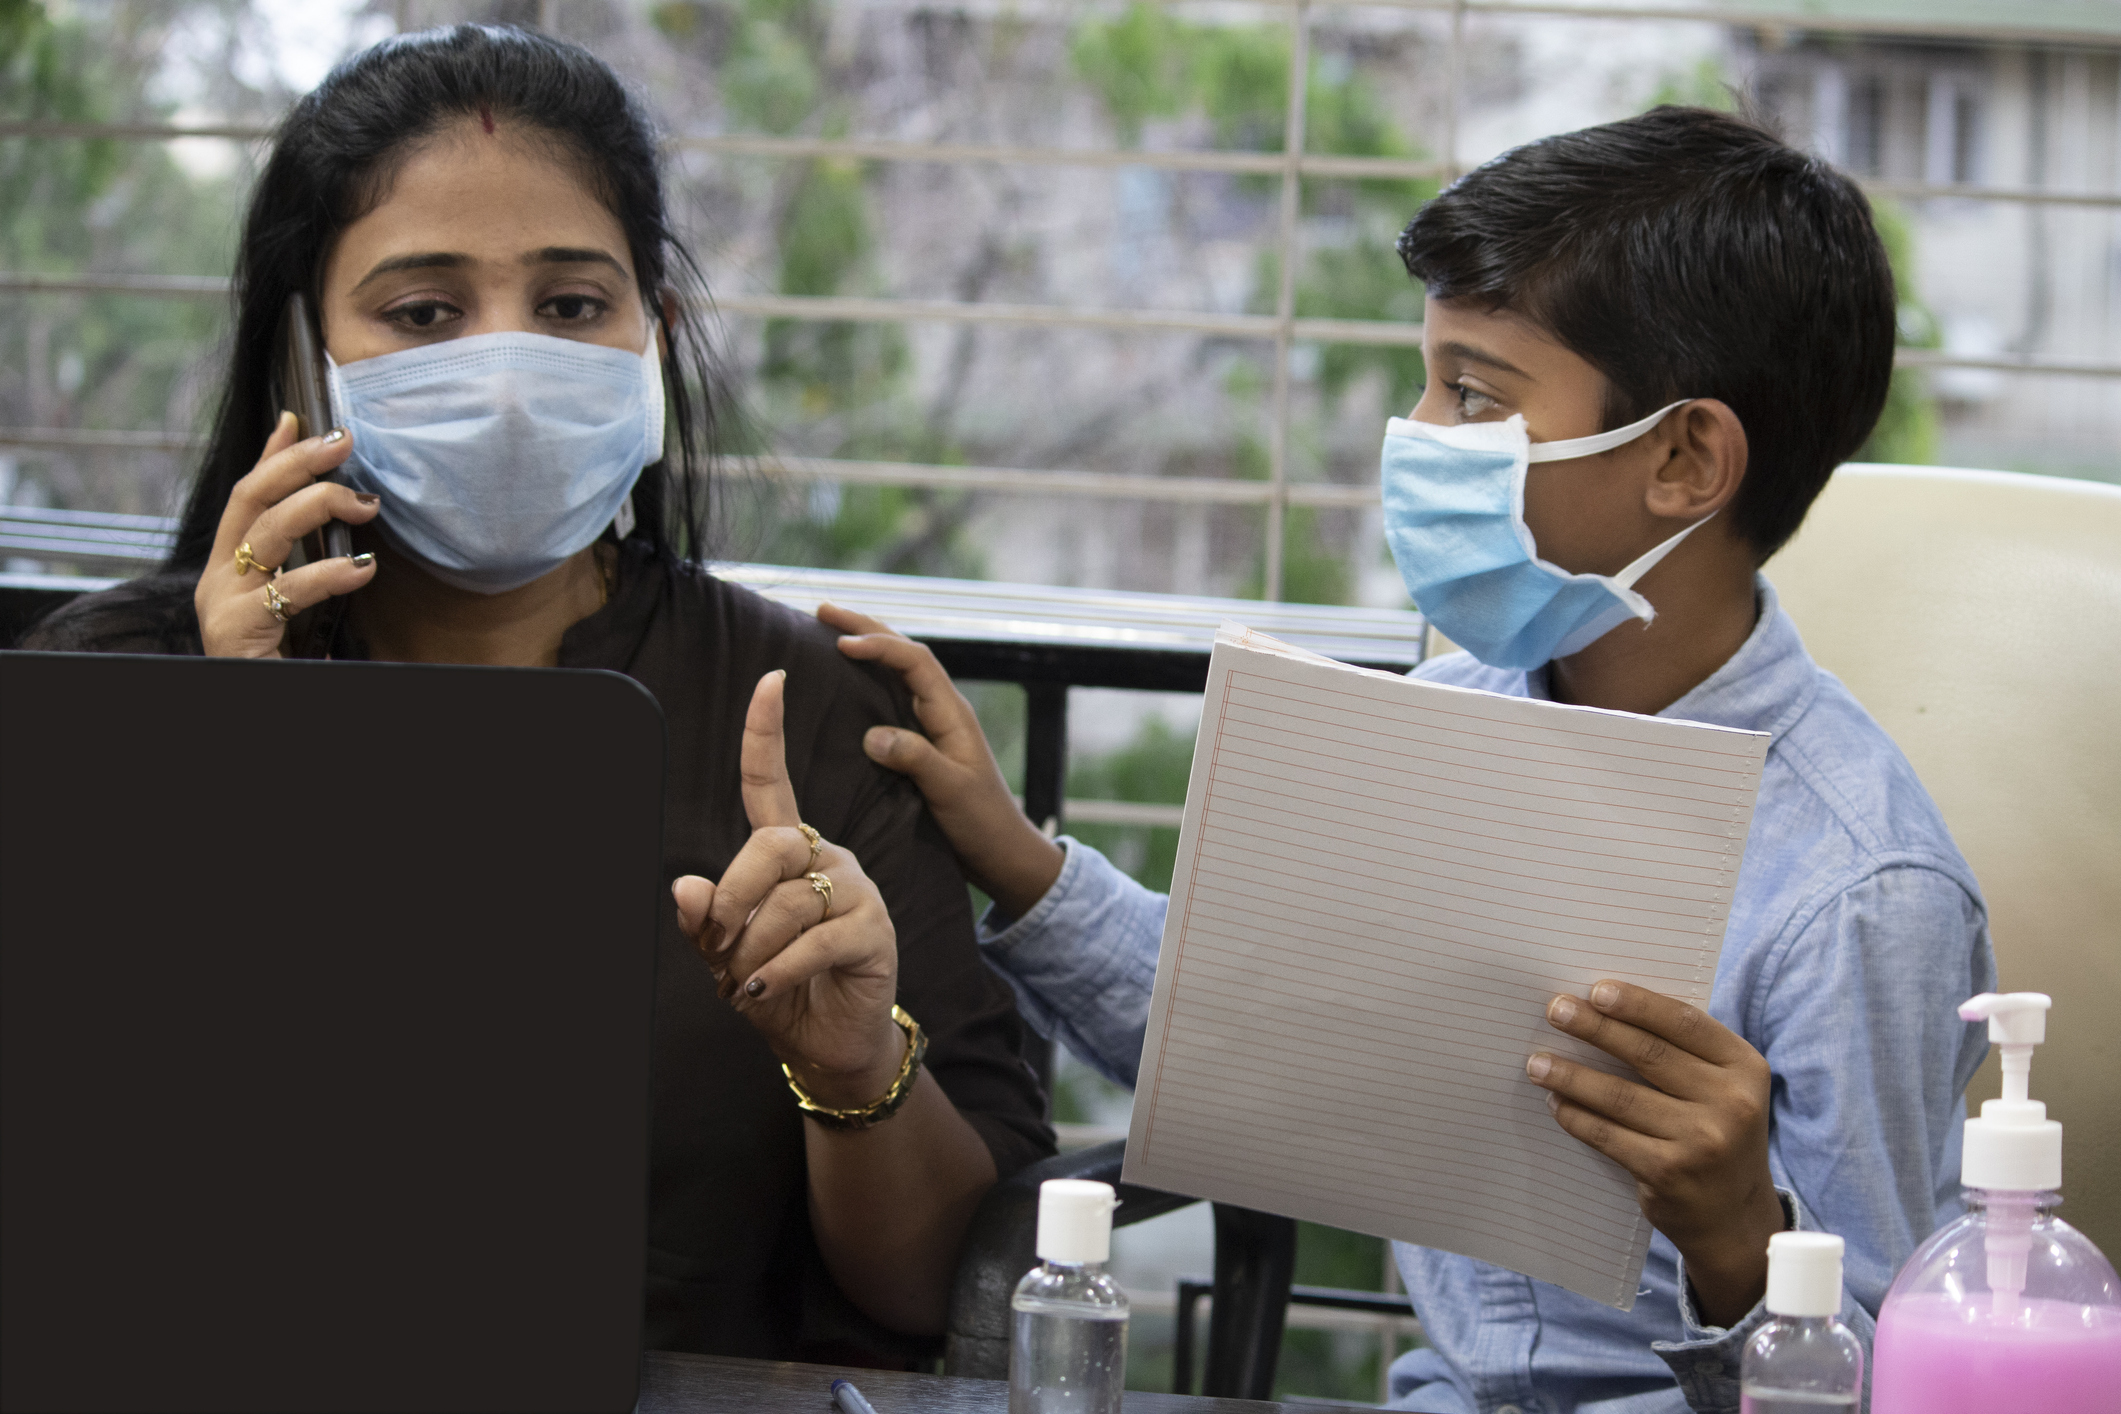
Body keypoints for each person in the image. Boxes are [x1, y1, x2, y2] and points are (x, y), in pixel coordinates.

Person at [815, 108, 1996, 1412]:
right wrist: (1016, 855)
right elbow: (1255, 1036)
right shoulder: (1446, 721)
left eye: (1474, 393)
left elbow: (1893, 1383)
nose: (1416, 432)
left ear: (1681, 458)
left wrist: (1736, 1235)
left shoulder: (1858, 887)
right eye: (1427, 378)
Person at [24, 25, 1051, 1363]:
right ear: (304, 353)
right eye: (423, 313)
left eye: (570, 306)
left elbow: (941, 1293)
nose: (505, 371)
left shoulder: (803, 709)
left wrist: (855, 1070)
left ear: (648, 339)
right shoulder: (128, 684)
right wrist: (241, 754)